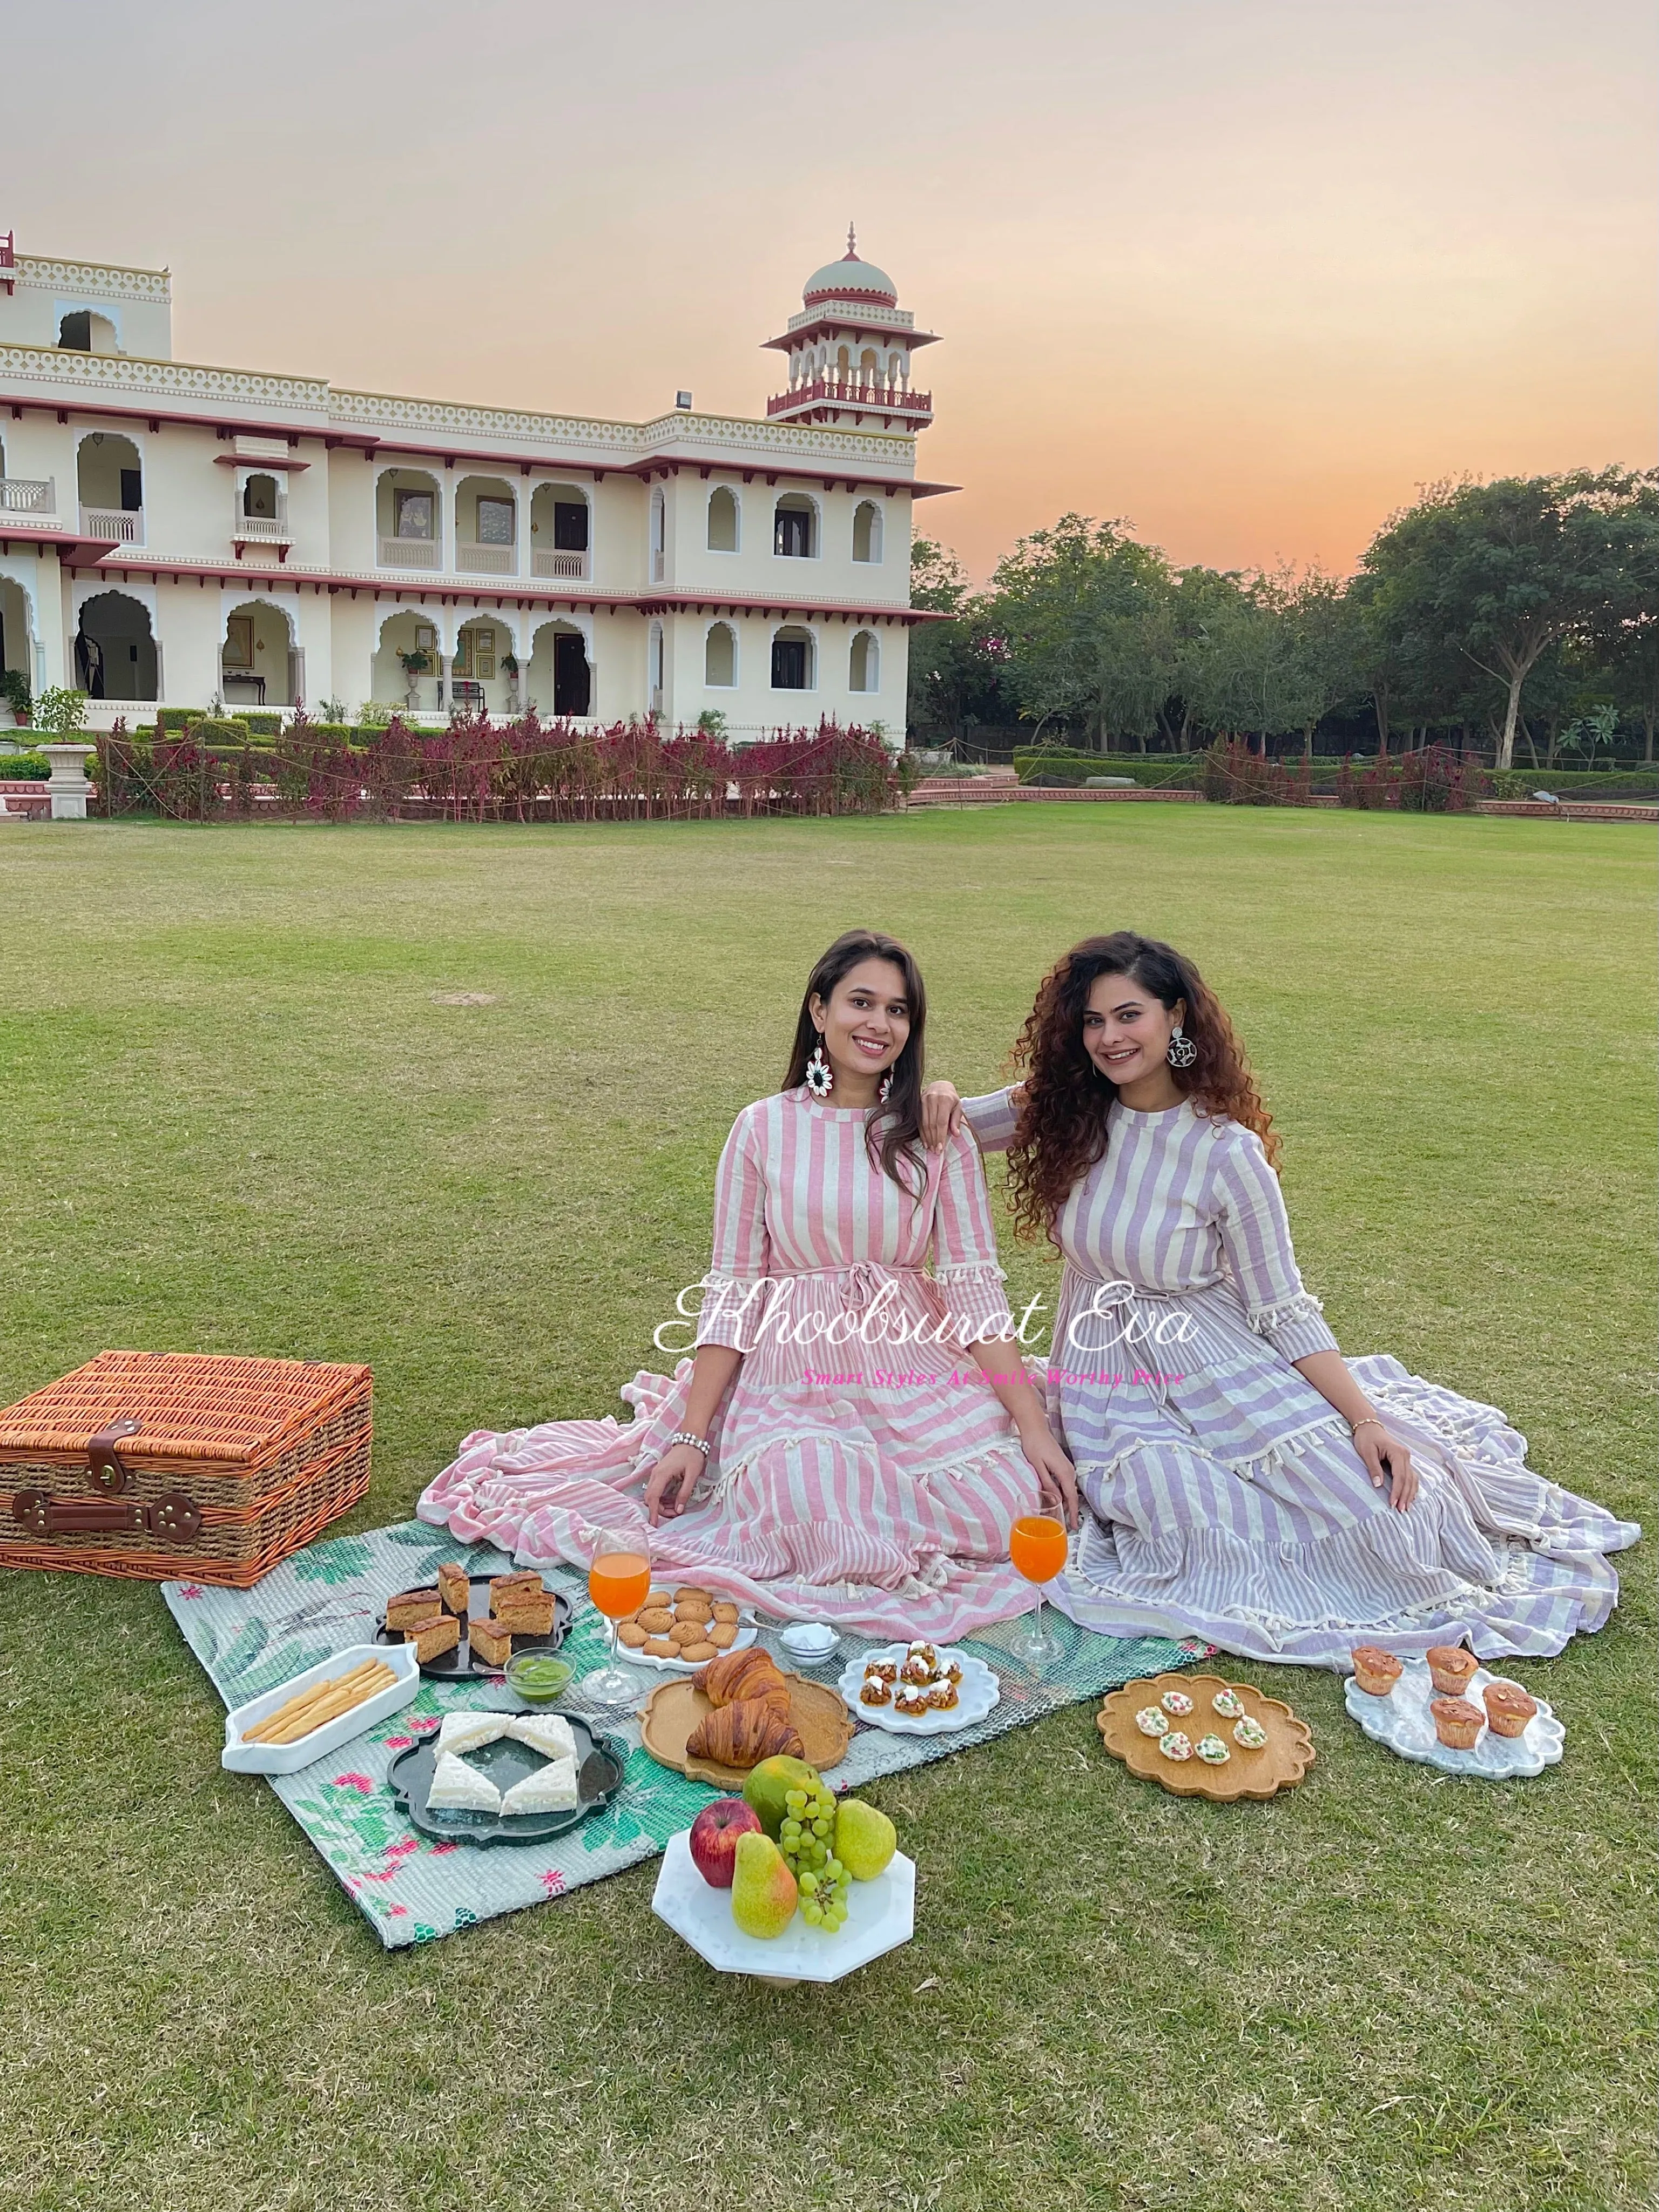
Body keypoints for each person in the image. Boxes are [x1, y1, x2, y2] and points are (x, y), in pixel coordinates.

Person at [921, 931, 1638, 1665]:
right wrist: (940, 1091)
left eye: (1129, 1015)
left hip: (1219, 1360)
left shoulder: (1228, 1152)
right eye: (1093, 1021)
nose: (1109, 1037)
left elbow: (1282, 1307)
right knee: (1176, 1508)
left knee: (1382, 1512)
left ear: (1175, 1017)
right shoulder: (1070, 1106)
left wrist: (1362, 1418)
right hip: (1109, 1377)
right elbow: (940, 1125)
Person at [419, 930, 1077, 1639]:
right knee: (803, 1500)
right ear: (819, 1011)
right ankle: (801, 1480)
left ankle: (939, 1474)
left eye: (897, 1009)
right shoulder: (762, 1129)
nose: (878, 1024)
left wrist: (1031, 1426)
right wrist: (692, 1435)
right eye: (861, 1002)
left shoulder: (933, 1133)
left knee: (1015, 1493)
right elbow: (733, 1291)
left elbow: (976, 1290)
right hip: (793, 1369)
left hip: (910, 1362)